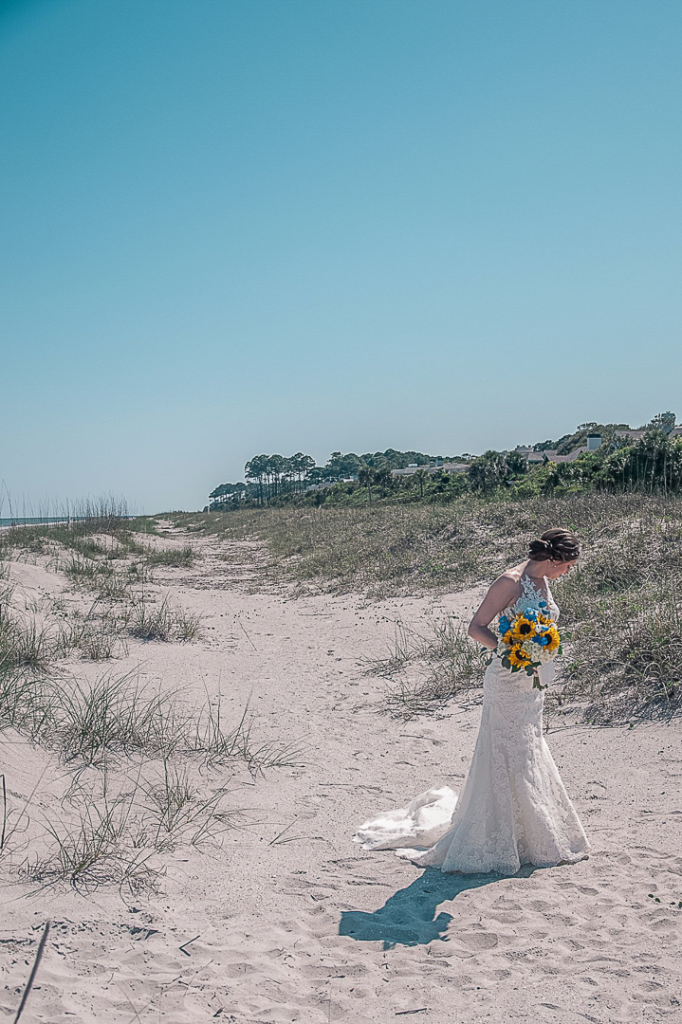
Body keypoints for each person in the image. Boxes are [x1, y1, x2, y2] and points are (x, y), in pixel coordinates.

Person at [353, 528, 590, 875]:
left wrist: (541, 652)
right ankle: (498, 835)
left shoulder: (543, 582)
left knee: (528, 748)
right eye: (567, 565)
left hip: (532, 684)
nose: (567, 572)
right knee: (503, 750)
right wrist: (512, 650)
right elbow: (476, 627)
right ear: (553, 559)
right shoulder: (509, 582)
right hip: (507, 679)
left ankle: (530, 833)